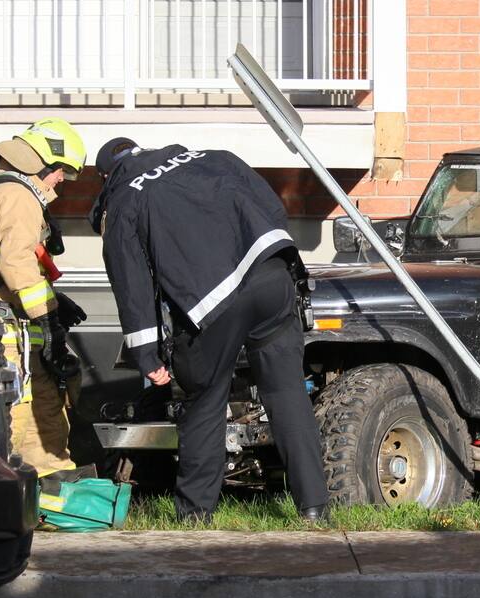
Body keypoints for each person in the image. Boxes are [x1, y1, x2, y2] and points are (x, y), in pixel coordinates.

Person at [91, 137, 329, 523]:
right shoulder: (213, 157)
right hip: (272, 276)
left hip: (212, 302)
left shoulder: (123, 199)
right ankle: (314, 507)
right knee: (286, 392)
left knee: (205, 399)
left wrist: (147, 354)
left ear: (106, 175)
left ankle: (195, 514)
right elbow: (270, 208)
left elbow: (131, 283)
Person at [0, 118, 89, 478]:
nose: (62, 180)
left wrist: (53, 298)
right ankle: (38, 497)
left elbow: (8, 268)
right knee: (29, 419)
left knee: (39, 414)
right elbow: (16, 262)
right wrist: (47, 322)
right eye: (61, 170)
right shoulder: (18, 197)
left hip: (1, 328)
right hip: (10, 339)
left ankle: (48, 493)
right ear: (40, 162)